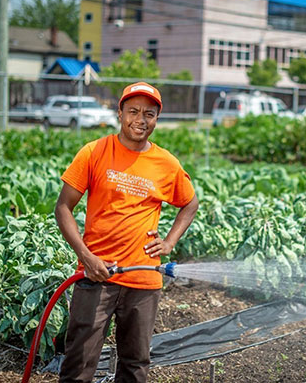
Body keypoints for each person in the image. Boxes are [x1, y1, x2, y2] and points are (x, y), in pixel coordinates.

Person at [54, 81, 199, 382]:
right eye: (133, 111)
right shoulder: (94, 152)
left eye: (149, 113)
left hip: (143, 278)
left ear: (157, 118)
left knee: (135, 364)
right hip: (97, 275)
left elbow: (190, 203)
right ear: (119, 112)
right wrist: (87, 257)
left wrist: (170, 241)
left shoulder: (166, 163)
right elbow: (63, 208)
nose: (141, 120)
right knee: (78, 361)